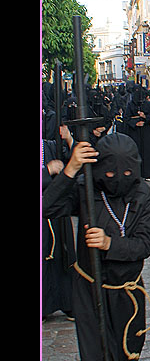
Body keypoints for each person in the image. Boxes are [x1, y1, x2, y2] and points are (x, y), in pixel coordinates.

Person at [42, 133, 150, 361]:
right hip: (89, 290)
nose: (117, 181)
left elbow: (145, 243)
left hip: (128, 291)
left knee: (126, 355)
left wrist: (111, 244)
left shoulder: (142, 195)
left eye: (125, 174)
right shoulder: (86, 192)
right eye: (109, 175)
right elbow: (47, 208)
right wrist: (71, 170)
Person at [42, 125, 76, 320]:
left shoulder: (49, 145)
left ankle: (67, 302)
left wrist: (69, 139)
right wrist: (47, 170)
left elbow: (69, 162)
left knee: (62, 254)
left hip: (55, 210)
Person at [124, 86, 150, 180]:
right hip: (135, 132)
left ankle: (147, 173)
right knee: (136, 151)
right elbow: (126, 118)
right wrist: (135, 123)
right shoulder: (130, 105)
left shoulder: (147, 104)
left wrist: (145, 117)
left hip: (146, 131)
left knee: (147, 152)